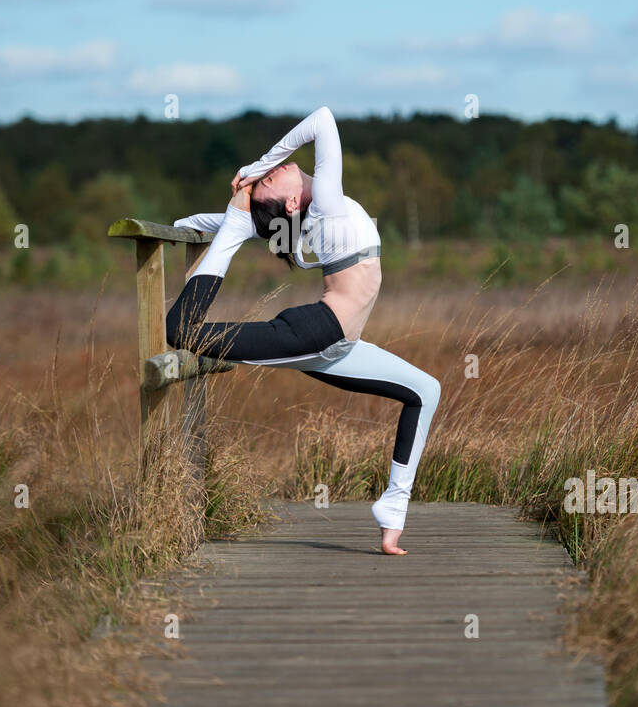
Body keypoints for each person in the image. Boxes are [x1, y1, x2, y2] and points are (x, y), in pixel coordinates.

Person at [167, 107, 441, 555]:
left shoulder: (312, 214)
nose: (274, 170)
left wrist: (244, 188)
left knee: (426, 390)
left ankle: (393, 511)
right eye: (271, 180)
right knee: (181, 332)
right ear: (292, 203)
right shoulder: (328, 201)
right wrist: (232, 209)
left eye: (270, 174)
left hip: (340, 347)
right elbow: (324, 120)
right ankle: (392, 511)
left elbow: (258, 215)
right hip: (315, 332)